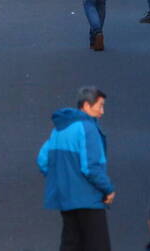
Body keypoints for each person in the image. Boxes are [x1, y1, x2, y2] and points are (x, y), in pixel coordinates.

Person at [37, 86, 115, 251]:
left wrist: (62, 179)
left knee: (70, 244)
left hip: (67, 199)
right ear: (86, 106)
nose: (102, 111)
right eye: (100, 106)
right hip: (89, 200)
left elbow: (43, 160)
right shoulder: (88, 128)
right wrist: (108, 190)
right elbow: (91, 167)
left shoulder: (59, 129)